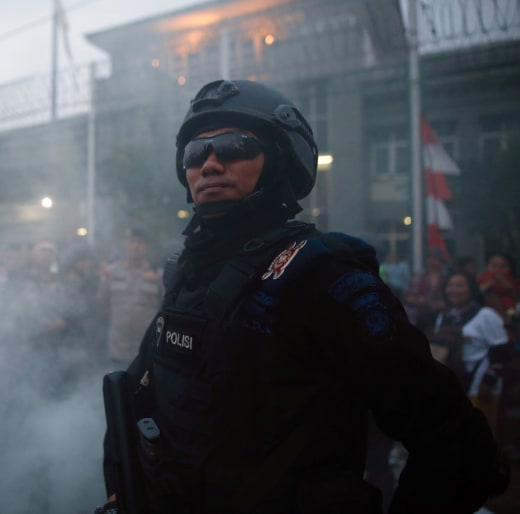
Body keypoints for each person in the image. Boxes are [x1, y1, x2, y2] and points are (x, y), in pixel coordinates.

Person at [97, 79, 509, 514]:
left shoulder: (322, 275)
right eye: (195, 153)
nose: (210, 164)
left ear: (279, 158)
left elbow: (458, 446)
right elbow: (135, 396)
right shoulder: (190, 275)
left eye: (234, 146)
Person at [428, 271, 511, 433]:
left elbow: (502, 352)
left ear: (471, 289)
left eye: (460, 285)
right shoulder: (443, 317)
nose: (454, 290)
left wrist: (488, 381)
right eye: (450, 285)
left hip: (480, 386)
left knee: (480, 435)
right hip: (455, 385)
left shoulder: (486, 315)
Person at [98, 227, 161, 368]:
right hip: (118, 346)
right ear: (125, 245)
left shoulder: (157, 274)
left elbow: (162, 305)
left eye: (140, 242)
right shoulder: (110, 272)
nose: (136, 246)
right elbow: (103, 302)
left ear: (147, 247)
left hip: (146, 346)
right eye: (132, 241)